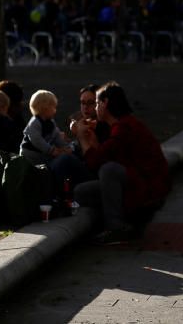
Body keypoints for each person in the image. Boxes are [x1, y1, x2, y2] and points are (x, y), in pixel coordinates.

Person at [74, 81, 170, 243]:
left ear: (106, 104)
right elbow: (106, 155)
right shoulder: (122, 125)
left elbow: (97, 162)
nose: (95, 108)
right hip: (137, 183)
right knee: (81, 192)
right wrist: (94, 141)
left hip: (147, 190)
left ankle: (116, 226)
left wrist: (82, 139)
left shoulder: (125, 127)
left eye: (97, 103)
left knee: (108, 170)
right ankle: (127, 223)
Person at [20, 90, 74, 166]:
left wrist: (66, 147)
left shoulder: (51, 123)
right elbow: (36, 139)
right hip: (29, 154)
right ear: (45, 107)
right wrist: (51, 150)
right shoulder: (35, 122)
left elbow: (56, 136)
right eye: (54, 107)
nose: (55, 110)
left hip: (42, 154)